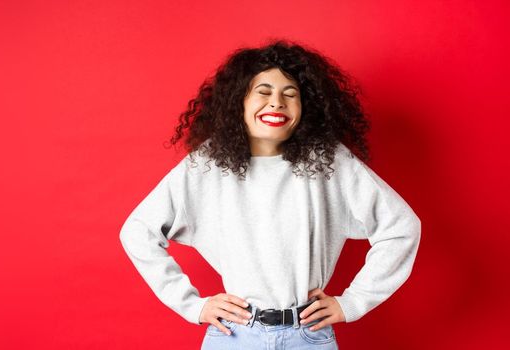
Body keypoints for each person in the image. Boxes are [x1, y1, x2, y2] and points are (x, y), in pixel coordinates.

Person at [118, 39, 421, 349]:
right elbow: (138, 231)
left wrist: (354, 302)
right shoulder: (206, 166)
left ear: (307, 108)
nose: (277, 102)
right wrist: (192, 305)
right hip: (234, 336)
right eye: (263, 92)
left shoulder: (328, 161)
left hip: (308, 335)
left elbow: (401, 227)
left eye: (290, 95)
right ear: (239, 102)